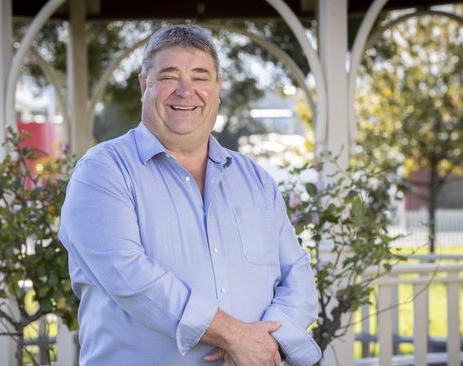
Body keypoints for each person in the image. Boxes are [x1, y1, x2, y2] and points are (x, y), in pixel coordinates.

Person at [59, 24, 321, 366]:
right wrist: (234, 336)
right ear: (144, 85)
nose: (186, 90)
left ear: (217, 88)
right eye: (169, 75)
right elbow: (130, 277)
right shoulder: (102, 172)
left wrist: (262, 345)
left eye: (200, 76)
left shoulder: (257, 180)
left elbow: (298, 277)